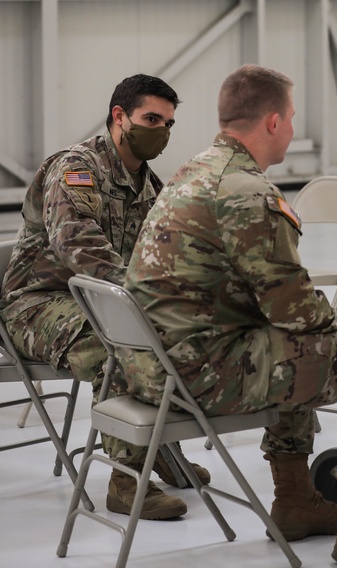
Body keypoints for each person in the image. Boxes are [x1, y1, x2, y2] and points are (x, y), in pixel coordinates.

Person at [122, 64, 337, 566]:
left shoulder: (194, 171)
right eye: (292, 119)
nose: (293, 130)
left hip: (153, 367)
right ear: (274, 122)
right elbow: (293, 309)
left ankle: (295, 500)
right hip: (200, 375)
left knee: (292, 344)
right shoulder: (247, 192)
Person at [0, 74, 208, 521]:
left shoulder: (148, 186)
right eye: (152, 119)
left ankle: (159, 449)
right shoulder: (76, 168)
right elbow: (80, 247)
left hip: (102, 300)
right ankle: (126, 479)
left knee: (174, 334)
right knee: (120, 341)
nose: (163, 131)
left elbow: (163, 254)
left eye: (169, 123)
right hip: (36, 306)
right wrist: (146, 302)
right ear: (119, 117)